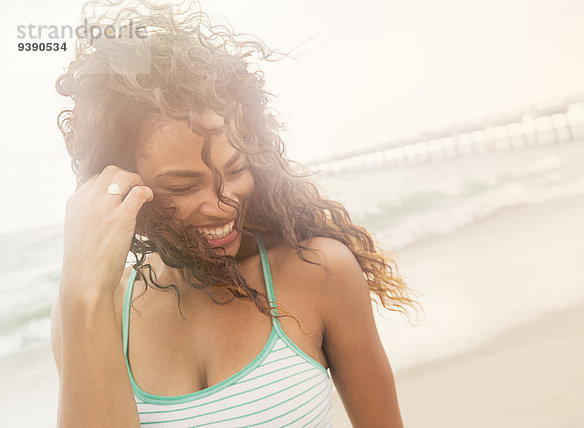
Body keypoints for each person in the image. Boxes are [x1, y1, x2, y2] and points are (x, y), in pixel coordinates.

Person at [50, 1, 421, 426]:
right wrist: (82, 292)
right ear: (119, 182)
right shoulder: (90, 308)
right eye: (182, 186)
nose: (224, 203)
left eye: (236, 169)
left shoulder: (318, 272)